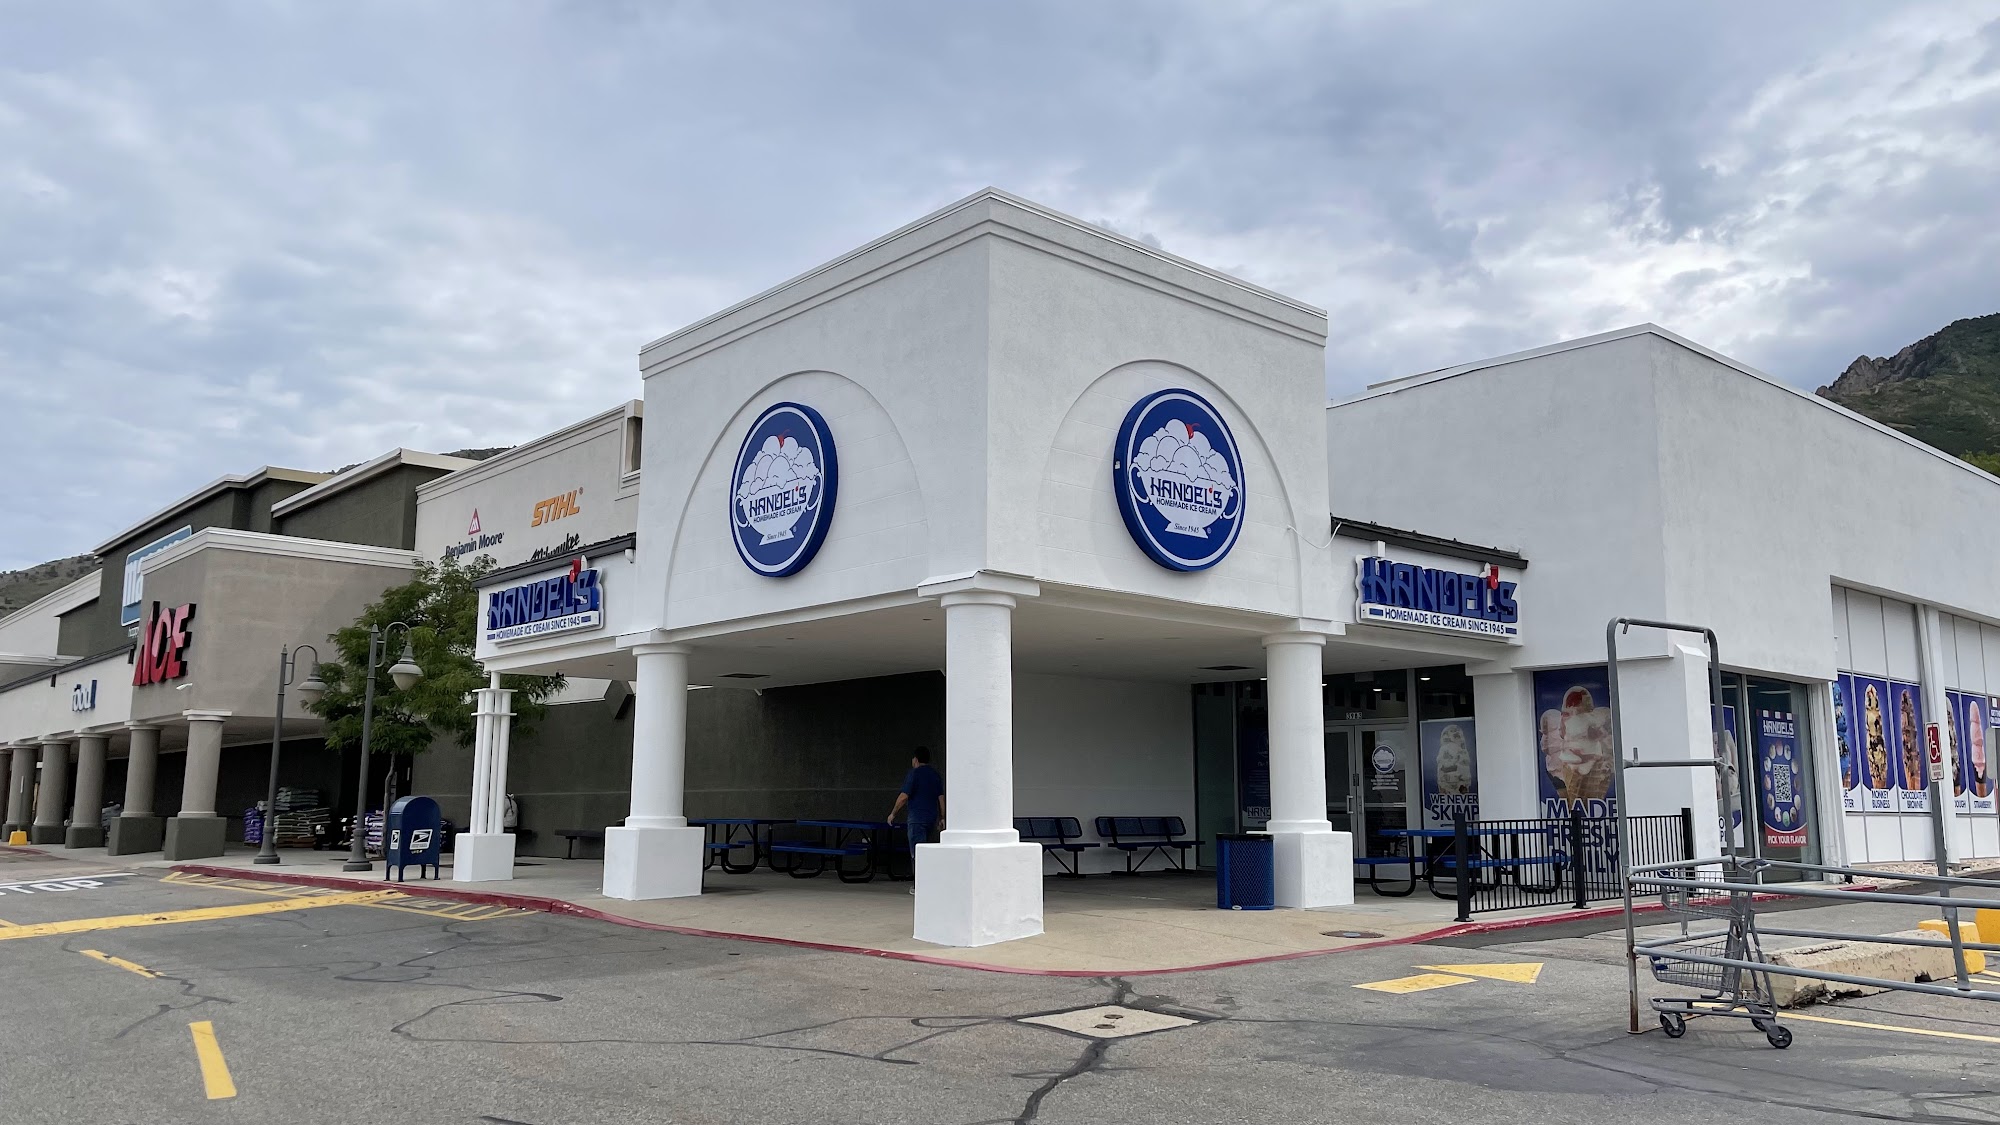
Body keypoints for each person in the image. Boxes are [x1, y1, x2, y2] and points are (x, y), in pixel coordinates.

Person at [888, 747, 944, 892]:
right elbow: (941, 798)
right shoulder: (935, 775)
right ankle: (931, 882)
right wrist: (942, 817)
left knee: (917, 853)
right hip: (932, 818)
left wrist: (893, 813)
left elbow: (904, 796)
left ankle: (919, 885)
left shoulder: (914, 774)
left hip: (917, 818)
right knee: (929, 852)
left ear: (916, 760)